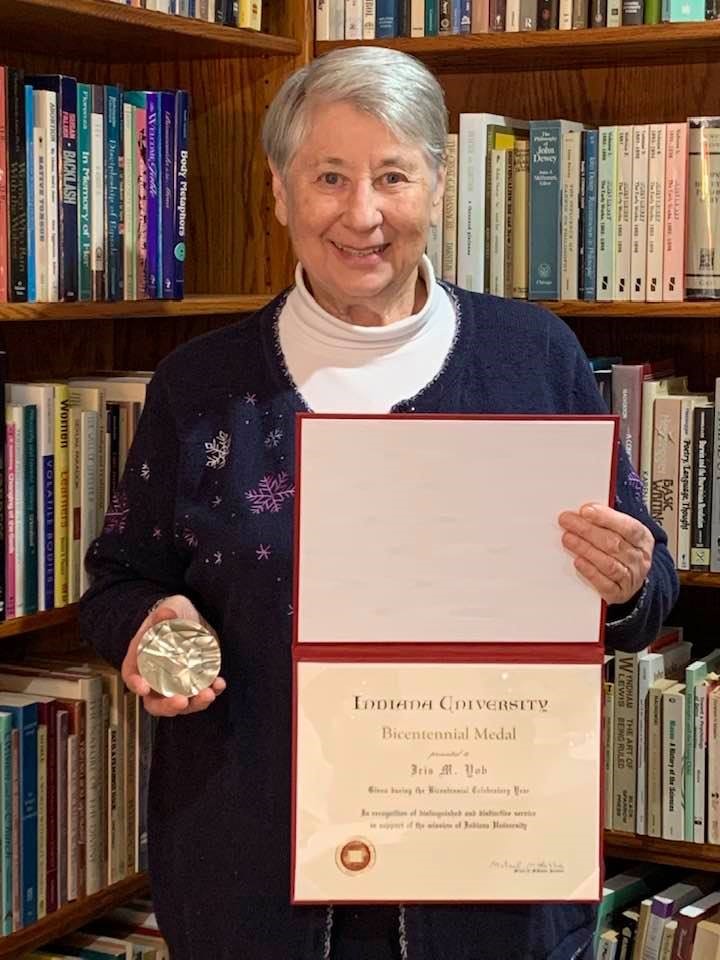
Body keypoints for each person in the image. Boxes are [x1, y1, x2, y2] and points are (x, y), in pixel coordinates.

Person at [80, 46, 679, 960]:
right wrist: (152, 630)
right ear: (279, 191)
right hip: (255, 877)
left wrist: (628, 578)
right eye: (329, 177)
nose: (362, 214)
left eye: (393, 176)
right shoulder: (201, 385)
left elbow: (645, 596)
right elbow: (120, 579)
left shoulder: (534, 358)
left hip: (488, 881)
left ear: (437, 186)